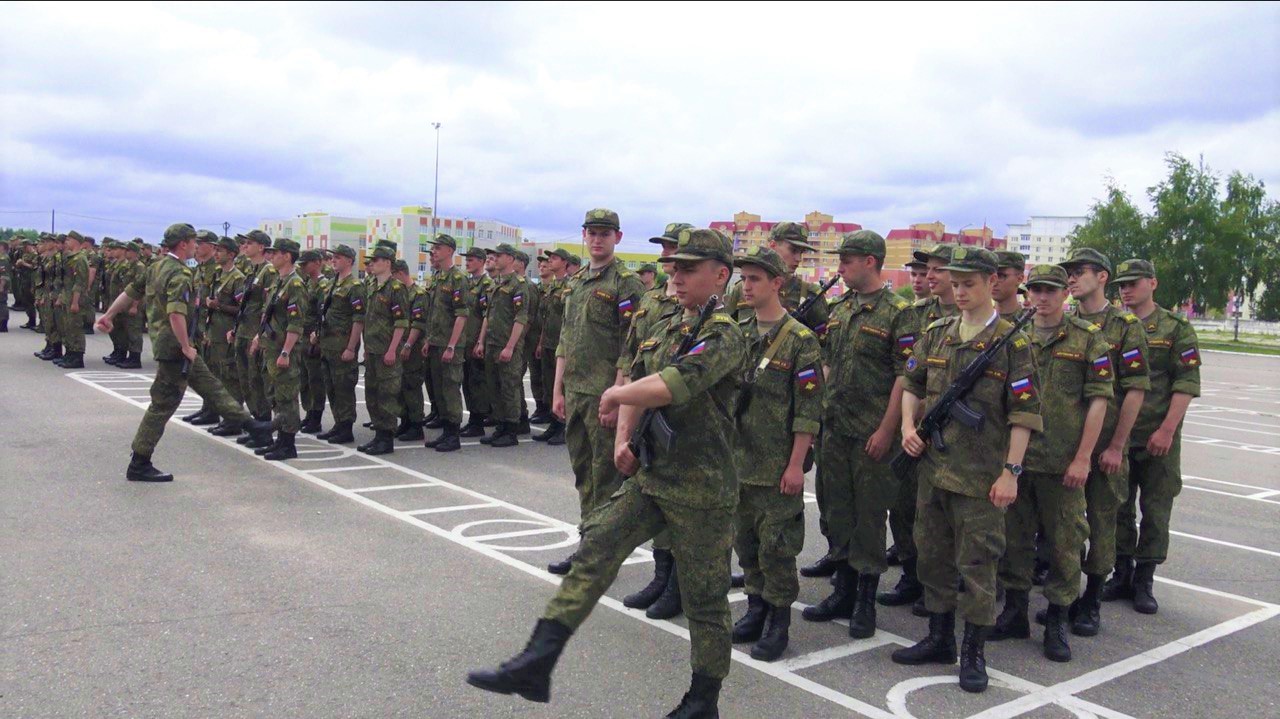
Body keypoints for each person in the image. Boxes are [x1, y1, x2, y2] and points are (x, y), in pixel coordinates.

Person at [466, 228, 746, 717]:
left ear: (720, 275)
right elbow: (638, 374)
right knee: (596, 545)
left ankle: (703, 701)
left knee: (705, 601)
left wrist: (617, 398)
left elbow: (673, 385)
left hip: (703, 489)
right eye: (673, 268)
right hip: (654, 475)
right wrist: (623, 438)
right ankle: (537, 660)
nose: (675, 277)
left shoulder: (725, 332)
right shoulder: (665, 321)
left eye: (689, 269)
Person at [891, 246, 1041, 694]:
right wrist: (906, 427)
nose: (959, 291)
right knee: (932, 557)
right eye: (955, 283)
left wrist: (1011, 471)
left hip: (980, 478)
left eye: (968, 284)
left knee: (978, 565)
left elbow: (1025, 413)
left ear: (991, 283)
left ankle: (973, 651)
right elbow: (911, 385)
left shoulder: (1014, 343)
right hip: (934, 469)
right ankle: (939, 638)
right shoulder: (936, 333)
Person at [989, 264, 1108, 662]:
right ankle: (1015, 612)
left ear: (1064, 294)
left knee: (1064, 544)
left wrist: (1082, 458)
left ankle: (1056, 618)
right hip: (1018, 461)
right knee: (1014, 541)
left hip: (1062, 464)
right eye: (1035, 290)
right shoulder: (1011, 336)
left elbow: (1098, 402)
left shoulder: (1088, 339)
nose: (1041, 297)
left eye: (1050, 290)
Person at [802, 231, 914, 639]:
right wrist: (817, 415)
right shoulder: (841, 307)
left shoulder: (899, 312)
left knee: (870, 515)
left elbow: (906, 376)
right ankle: (843, 589)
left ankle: (865, 597)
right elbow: (828, 364)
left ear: (870, 261)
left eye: (847, 259)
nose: (841, 266)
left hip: (872, 432)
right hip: (836, 428)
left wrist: (889, 429)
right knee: (838, 511)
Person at [96, 223, 271, 481]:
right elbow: (176, 313)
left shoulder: (156, 266)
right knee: (163, 404)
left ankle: (251, 424)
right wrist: (186, 346)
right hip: (175, 347)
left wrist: (109, 314)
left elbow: (129, 292)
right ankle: (139, 461)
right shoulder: (179, 273)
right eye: (193, 242)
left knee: (211, 386)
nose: (196, 246)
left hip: (168, 344)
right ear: (183, 244)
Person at [728, 246, 822, 661]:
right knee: (745, 542)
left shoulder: (801, 341)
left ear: (777, 284)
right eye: (743, 279)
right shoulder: (737, 329)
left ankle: (778, 620)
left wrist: (796, 464)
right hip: (738, 461)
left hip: (777, 464)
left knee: (777, 548)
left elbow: (808, 409)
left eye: (755, 279)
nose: (746, 286)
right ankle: (755, 606)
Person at [1057, 247, 1149, 636]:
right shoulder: (1064, 322)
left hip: (1104, 447)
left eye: (1080, 272)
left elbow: (1135, 390)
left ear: (1102, 278)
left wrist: (1116, 446)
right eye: (1070, 274)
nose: (1072, 279)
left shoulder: (1125, 326)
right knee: (1066, 526)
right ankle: (1066, 597)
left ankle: (1091, 599)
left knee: (1101, 521)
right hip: (1064, 446)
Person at [547, 209, 644, 574]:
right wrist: (557, 390)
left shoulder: (626, 284)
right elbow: (565, 340)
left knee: (606, 479)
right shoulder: (576, 283)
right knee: (584, 474)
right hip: (575, 393)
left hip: (604, 395)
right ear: (584, 236)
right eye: (592, 232)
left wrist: (617, 396)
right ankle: (590, 541)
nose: (598, 239)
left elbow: (629, 345)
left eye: (606, 233)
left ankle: (600, 553)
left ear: (617, 238)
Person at [1105, 259, 1201, 614]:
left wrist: (1166, 430)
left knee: (1156, 509)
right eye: (1121, 284)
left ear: (1153, 284)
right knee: (1118, 506)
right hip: (1120, 435)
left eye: (1133, 283)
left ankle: (1144, 580)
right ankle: (1121, 573)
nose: (1126, 290)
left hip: (1158, 436)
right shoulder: (1115, 326)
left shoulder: (1175, 328)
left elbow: (1186, 383)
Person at [873, 243, 961, 613]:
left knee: (956, 517)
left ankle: (953, 585)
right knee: (907, 506)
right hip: (917, 430)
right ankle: (915, 575)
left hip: (959, 436)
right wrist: (907, 422)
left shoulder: (978, 319)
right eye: (928, 269)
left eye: (938, 269)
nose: (928, 276)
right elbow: (909, 375)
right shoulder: (918, 314)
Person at [618, 222, 691, 613]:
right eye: (664, 249)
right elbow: (631, 357)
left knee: (682, 505)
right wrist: (619, 404)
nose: (666, 257)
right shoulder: (649, 301)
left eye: (673, 249)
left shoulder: (704, 306)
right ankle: (661, 577)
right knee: (655, 499)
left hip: (681, 416)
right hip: (643, 409)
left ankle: (677, 585)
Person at [247, 238, 310, 460]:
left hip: (284, 351)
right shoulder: (278, 282)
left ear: (287, 256)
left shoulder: (295, 285)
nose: (271, 257)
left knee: (286, 397)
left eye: (276, 253)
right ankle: (279, 441)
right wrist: (258, 337)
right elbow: (268, 315)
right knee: (275, 395)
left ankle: (288, 444)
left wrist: (286, 352)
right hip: (271, 348)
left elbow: (296, 323)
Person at [725, 222, 830, 338]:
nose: (798, 258)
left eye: (801, 252)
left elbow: (823, 340)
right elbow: (727, 333)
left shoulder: (810, 294)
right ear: (773, 246)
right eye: (793, 250)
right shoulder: (742, 289)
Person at [356, 241, 409, 455]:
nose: (372, 264)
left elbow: (401, 322)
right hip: (373, 350)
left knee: (387, 395)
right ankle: (378, 434)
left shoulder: (396, 288)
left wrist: (392, 349)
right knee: (372, 394)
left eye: (376, 260)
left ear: (387, 262)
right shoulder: (371, 286)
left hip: (387, 350)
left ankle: (386, 439)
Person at [474, 243, 529, 448]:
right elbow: (487, 316)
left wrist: (510, 346)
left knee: (509, 388)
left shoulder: (518, 284)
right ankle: (501, 426)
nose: (494, 258)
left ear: (510, 258)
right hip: (492, 343)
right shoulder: (495, 284)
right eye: (494, 255)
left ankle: (511, 429)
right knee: (494, 387)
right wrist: (481, 341)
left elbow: (521, 318)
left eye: (499, 255)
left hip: (507, 345)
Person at [420, 234, 471, 452]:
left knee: (450, 388)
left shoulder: (457, 279)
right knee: (439, 389)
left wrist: (452, 345)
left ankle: (453, 434)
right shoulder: (438, 278)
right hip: (436, 342)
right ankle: (445, 431)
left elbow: (461, 315)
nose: (434, 252)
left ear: (450, 251)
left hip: (451, 345)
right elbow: (434, 314)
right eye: (433, 249)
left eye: (438, 248)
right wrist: (429, 340)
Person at [314, 244, 364, 444]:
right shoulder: (331, 284)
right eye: (333, 257)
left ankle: (346, 427)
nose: (333, 260)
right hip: (327, 344)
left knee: (343, 388)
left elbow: (358, 319)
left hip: (342, 345)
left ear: (349, 261)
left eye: (339, 257)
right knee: (331, 387)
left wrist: (351, 348)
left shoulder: (355, 286)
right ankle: (338, 423)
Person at [232, 231, 278, 443]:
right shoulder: (253, 270)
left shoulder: (269, 271)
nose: (245, 246)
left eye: (249, 243)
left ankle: (263, 428)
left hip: (254, 334)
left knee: (257, 381)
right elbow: (245, 304)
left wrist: (259, 335)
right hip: (243, 330)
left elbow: (267, 308)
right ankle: (256, 423)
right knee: (246, 381)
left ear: (261, 247)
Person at [203, 236, 246, 434]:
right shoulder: (218, 274)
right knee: (214, 376)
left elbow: (241, 309)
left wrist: (217, 305)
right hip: (214, 332)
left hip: (227, 334)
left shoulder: (237, 278)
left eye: (220, 250)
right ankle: (216, 412)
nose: (216, 253)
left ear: (231, 254)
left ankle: (233, 420)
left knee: (230, 378)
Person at [180, 230, 223, 423]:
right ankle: (207, 407)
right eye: (196, 242)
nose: (197, 246)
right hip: (198, 324)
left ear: (213, 247)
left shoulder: (217, 269)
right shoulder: (199, 268)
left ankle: (213, 410)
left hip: (211, 325)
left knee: (212, 370)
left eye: (202, 242)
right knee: (204, 368)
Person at [531, 248, 573, 445]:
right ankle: (554, 423)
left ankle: (563, 426)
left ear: (564, 263)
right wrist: (540, 342)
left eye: (554, 258)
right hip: (548, 342)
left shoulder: (570, 285)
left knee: (562, 386)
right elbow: (545, 318)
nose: (550, 261)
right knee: (549, 385)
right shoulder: (551, 287)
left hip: (562, 344)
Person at [459, 247, 494, 437]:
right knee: (467, 381)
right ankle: (473, 417)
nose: (467, 262)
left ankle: (478, 421)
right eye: (467, 259)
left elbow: (486, 316)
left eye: (471, 259)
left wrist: (481, 341)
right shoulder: (468, 282)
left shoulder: (486, 284)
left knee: (477, 383)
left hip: (476, 340)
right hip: (465, 340)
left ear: (481, 261)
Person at [393, 259, 430, 440]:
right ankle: (405, 420)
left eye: (393, 275)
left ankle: (416, 425)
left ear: (400, 273)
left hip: (412, 347)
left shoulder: (418, 294)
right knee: (400, 386)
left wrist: (408, 344)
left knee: (411, 385)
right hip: (399, 345)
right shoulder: (399, 293)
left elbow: (418, 323)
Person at [53, 230, 89, 368]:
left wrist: (75, 302)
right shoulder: (71, 257)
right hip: (68, 296)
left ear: (76, 242)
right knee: (68, 327)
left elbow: (80, 282)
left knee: (76, 328)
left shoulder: (80, 258)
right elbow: (66, 281)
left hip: (76, 298)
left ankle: (77, 356)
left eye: (69, 239)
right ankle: (70, 353)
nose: (66, 242)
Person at [993, 251, 1027, 321]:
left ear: (1019, 278)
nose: (994, 282)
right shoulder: (979, 319)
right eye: (991, 276)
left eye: (1001, 276)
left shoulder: (1029, 321)